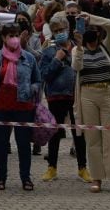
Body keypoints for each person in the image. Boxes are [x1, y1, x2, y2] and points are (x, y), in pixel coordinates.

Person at [72, 24, 110, 194]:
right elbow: (76, 67)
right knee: (93, 138)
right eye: (88, 30)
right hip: (87, 94)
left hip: (107, 93)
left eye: (94, 30)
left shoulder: (107, 45)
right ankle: (96, 178)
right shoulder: (77, 49)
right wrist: (78, 45)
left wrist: (87, 17)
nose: (91, 33)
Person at [0, 24, 42, 191]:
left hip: (24, 107)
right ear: (3, 38)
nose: (14, 38)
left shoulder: (29, 58)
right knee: (1, 144)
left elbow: (37, 80)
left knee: (23, 144)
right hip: (0, 107)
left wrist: (32, 89)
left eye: (16, 35)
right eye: (10, 35)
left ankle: (26, 178)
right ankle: (1, 178)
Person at [39, 17, 91, 183]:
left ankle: (83, 168)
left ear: (68, 29)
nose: (60, 33)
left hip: (76, 96)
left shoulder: (78, 48)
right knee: (55, 133)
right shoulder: (48, 52)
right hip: (55, 96)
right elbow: (44, 75)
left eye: (62, 29)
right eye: (56, 31)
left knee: (79, 133)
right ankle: (51, 168)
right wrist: (57, 59)